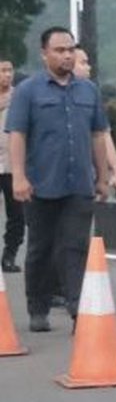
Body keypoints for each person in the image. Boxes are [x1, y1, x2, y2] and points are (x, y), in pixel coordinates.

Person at [5, 27, 111, 333]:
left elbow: (98, 135)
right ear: (44, 55)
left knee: (75, 247)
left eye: (70, 50)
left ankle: (79, 308)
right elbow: (17, 135)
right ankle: (37, 306)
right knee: (41, 248)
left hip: (79, 185)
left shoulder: (88, 90)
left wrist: (102, 176)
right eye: (59, 50)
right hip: (40, 185)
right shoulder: (28, 91)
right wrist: (19, 177)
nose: (66, 55)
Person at [72, 47, 116, 196]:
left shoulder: (91, 93)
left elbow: (102, 134)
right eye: (83, 63)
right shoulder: (40, 93)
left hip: (84, 177)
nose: (88, 67)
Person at [0, 59, 24, 272]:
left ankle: (9, 256)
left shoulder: (20, 98)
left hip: (12, 167)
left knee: (17, 216)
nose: (7, 75)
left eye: (10, 70)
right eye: (2, 71)